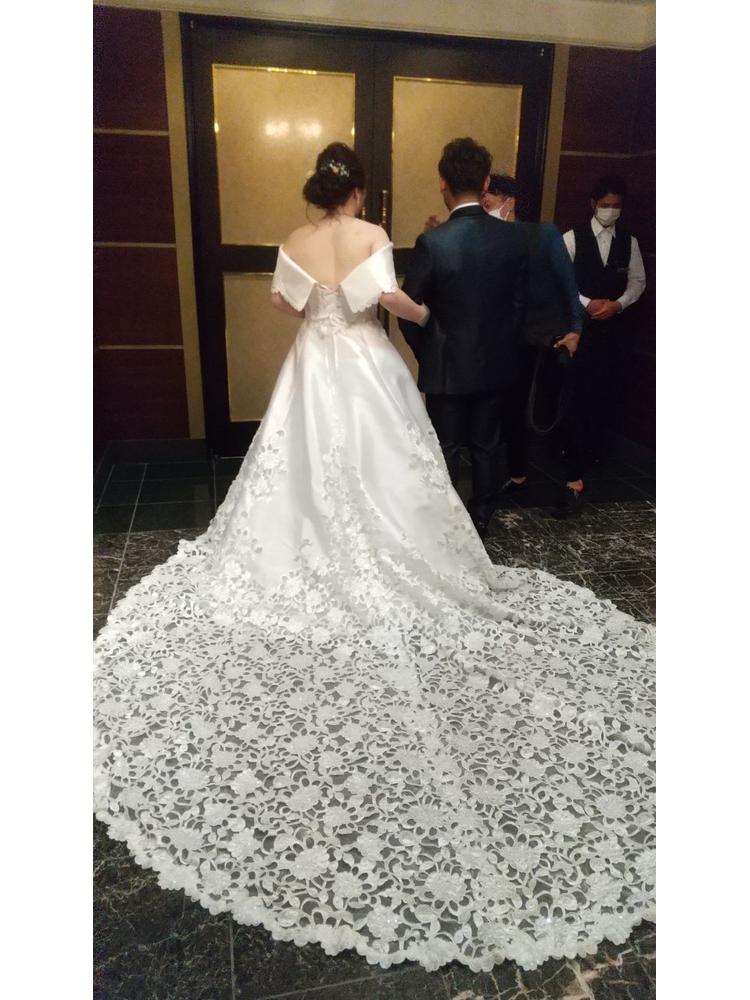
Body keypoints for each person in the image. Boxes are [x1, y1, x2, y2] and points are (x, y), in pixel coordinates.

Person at [94, 142, 655, 975]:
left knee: (301, 464)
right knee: (390, 464)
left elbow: (286, 305)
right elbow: (390, 300)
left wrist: (324, 305)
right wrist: (422, 315)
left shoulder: (294, 237)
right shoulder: (373, 233)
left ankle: (308, 549)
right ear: (356, 190)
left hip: (312, 363)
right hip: (363, 362)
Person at [398, 139, 528, 538]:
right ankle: (482, 516)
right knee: (487, 443)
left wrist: (430, 349)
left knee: (446, 446)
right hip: (496, 362)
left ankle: (444, 524)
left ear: (443, 182)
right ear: (486, 182)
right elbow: (521, 304)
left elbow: (407, 308)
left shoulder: (434, 242)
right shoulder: (513, 238)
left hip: (447, 366)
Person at [480, 174, 584, 504]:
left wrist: (575, 330)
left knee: (556, 412)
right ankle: (518, 475)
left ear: (509, 202)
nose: (484, 209)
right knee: (512, 409)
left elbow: (569, 285)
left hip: (552, 336)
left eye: (488, 203)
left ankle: (574, 480)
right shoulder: (489, 240)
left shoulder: (544, 234)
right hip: (512, 339)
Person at [559, 175, 646, 511]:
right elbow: (561, 278)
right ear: (593, 204)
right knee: (575, 392)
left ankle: (596, 451)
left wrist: (618, 304)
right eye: (606, 204)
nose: (611, 210)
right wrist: (587, 303)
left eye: (617, 205)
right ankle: (569, 451)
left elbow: (638, 281)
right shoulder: (573, 237)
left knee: (606, 390)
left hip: (614, 329)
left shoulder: (629, 241)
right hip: (580, 327)